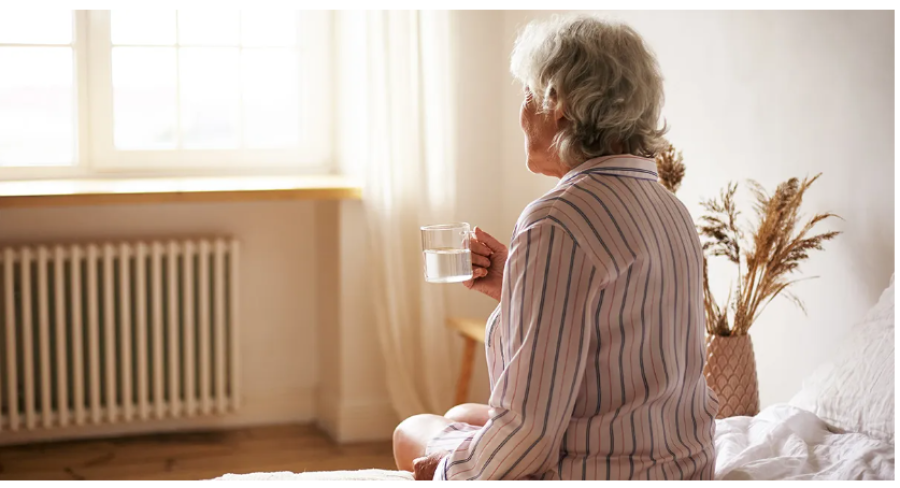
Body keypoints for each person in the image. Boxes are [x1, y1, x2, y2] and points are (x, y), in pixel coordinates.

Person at [393, 14, 718, 480]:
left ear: (557, 103)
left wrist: (447, 470)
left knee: (413, 429)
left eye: (527, 96)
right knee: (466, 413)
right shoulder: (670, 208)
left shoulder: (557, 220)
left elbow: (529, 427)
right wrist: (516, 284)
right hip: (683, 466)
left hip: (601, 471)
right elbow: (617, 330)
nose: (522, 114)